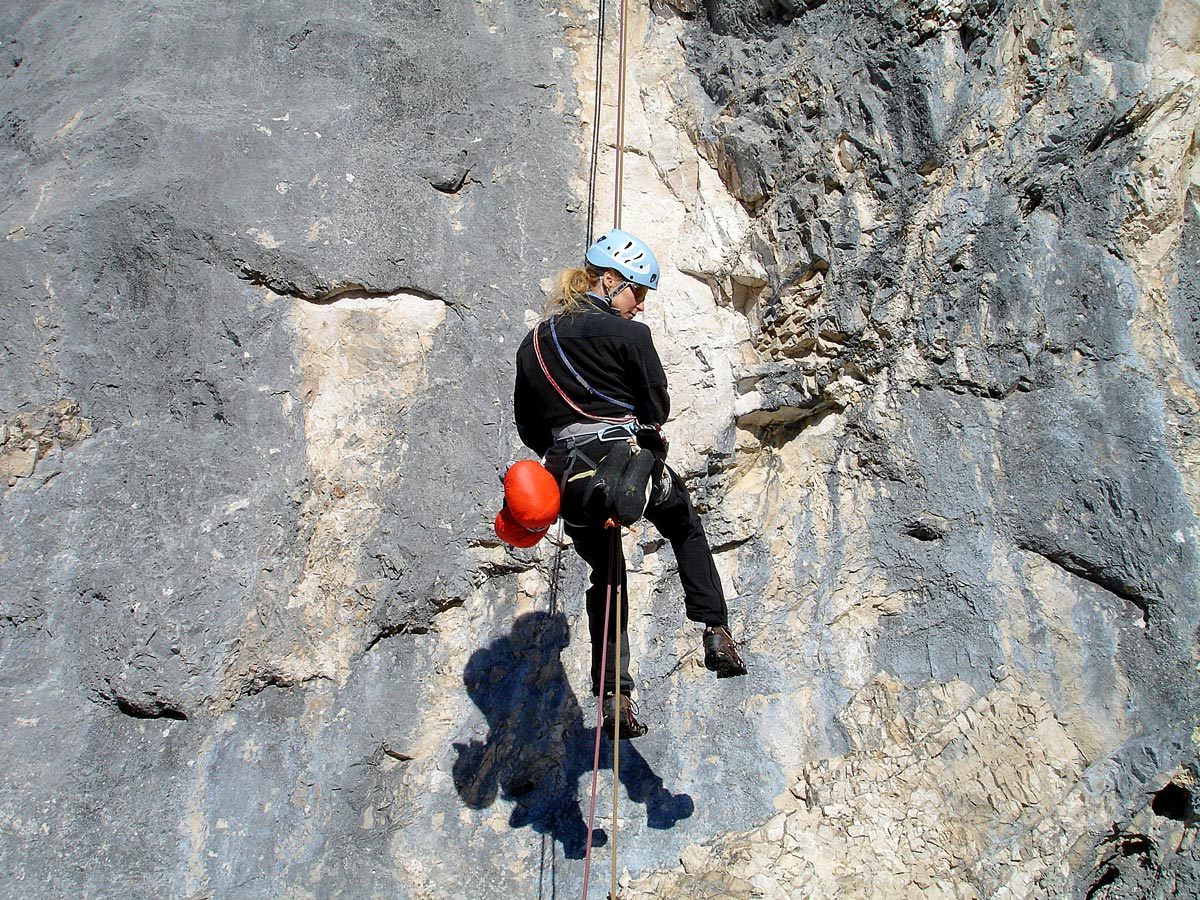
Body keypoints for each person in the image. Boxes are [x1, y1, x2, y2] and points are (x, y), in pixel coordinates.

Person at [513, 228, 746, 739]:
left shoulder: (532, 344)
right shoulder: (631, 337)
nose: (639, 306)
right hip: (627, 469)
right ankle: (714, 629)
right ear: (611, 280)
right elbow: (656, 409)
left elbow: (529, 427)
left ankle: (615, 696)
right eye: (636, 292)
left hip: (571, 485)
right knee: (683, 523)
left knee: (607, 575)